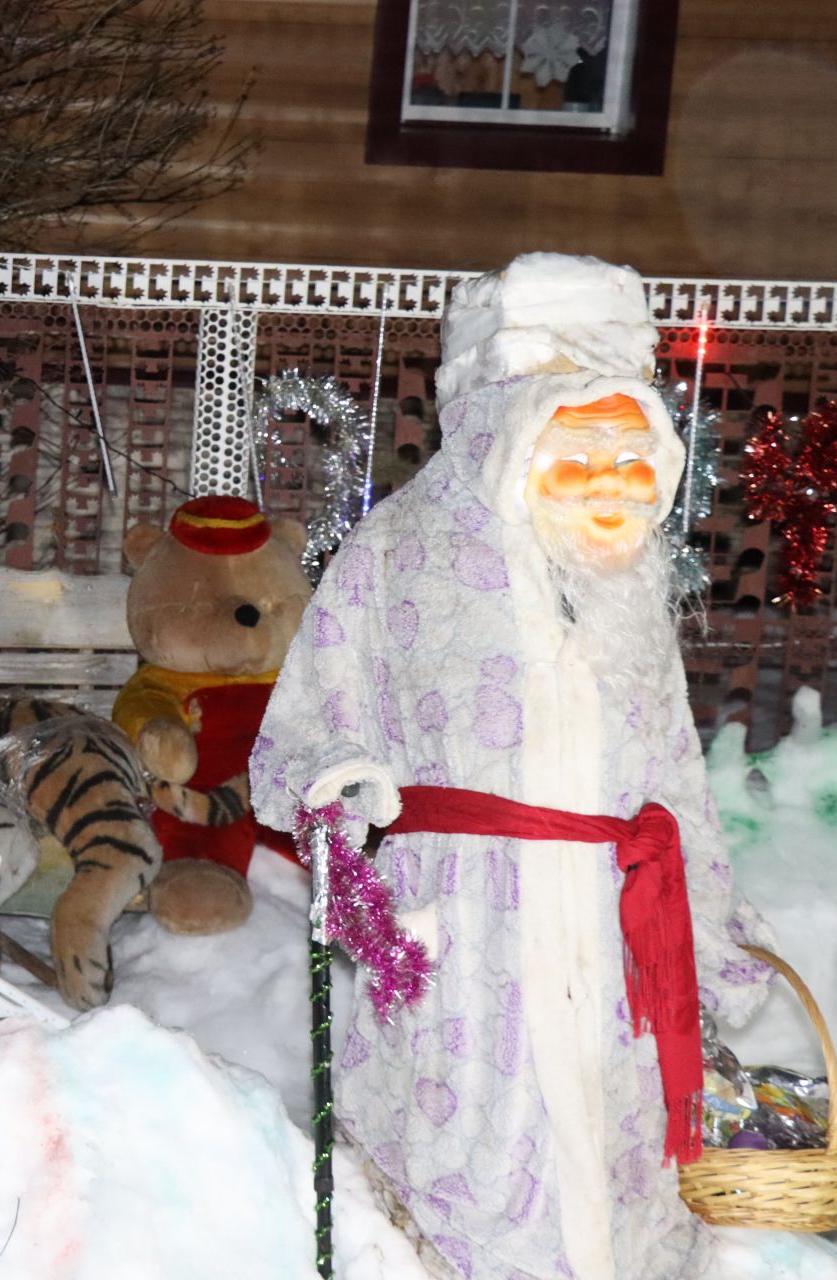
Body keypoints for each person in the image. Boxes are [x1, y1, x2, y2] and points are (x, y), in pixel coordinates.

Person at [250, 253, 773, 1280]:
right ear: (513, 434)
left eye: (637, 457)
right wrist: (340, 774)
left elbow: (673, 773)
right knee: (479, 1178)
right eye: (586, 451)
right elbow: (306, 719)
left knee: (622, 1181)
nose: (616, 485)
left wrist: (707, 939)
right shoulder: (400, 550)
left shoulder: (625, 586)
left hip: (615, 925)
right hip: (471, 928)